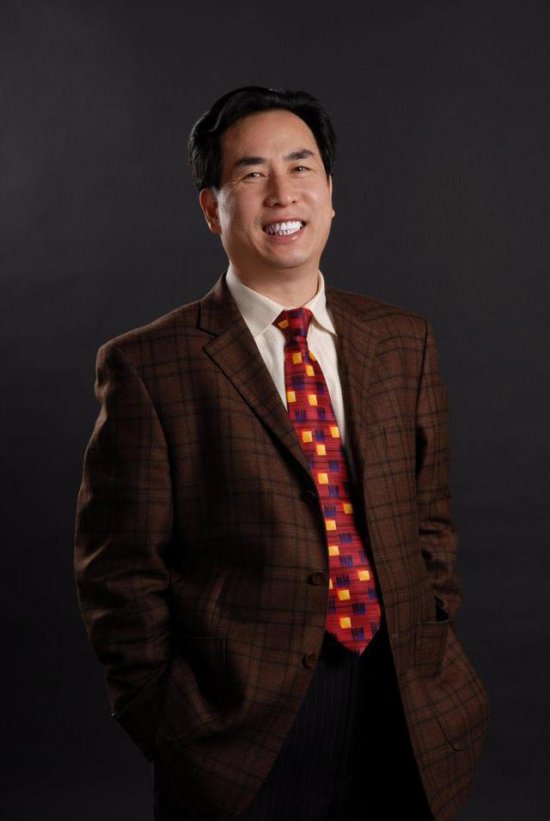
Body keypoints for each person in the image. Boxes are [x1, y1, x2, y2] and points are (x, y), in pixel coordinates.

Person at [74, 86, 489, 820]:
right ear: (212, 208)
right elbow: (120, 572)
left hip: (402, 699)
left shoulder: (403, 340)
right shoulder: (149, 365)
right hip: (240, 725)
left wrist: (430, 633)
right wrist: (173, 722)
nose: (282, 192)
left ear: (330, 193)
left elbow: (430, 520)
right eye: (251, 173)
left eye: (301, 168)